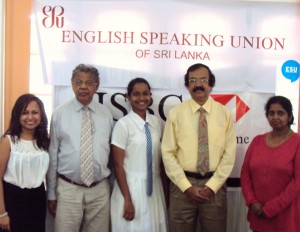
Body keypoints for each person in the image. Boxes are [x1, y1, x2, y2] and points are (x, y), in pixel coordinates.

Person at [161, 63, 237, 232]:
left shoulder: (224, 114)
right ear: (187, 85)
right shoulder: (176, 113)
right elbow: (167, 152)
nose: (198, 84)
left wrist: (212, 186)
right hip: (182, 188)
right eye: (192, 80)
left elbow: (230, 153)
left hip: (214, 187)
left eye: (203, 79)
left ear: (211, 83)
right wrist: (185, 186)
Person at [47, 64, 113, 232]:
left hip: (99, 191)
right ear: (72, 84)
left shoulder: (106, 114)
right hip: (69, 189)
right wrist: (52, 193)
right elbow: (53, 155)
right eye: (79, 82)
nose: (83, 86)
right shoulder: (59, 114)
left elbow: (111, 155)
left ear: (96, 86)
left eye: (89, 82)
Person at [110, 77, 168, 232]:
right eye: (136, 94)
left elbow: (160, 160)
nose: (142, 98)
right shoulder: (123, 125)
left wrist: (165, 192)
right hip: (131, 188)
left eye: (145, 94)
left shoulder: (157, 123)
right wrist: (127, 200)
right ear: (128, 97)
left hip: (154, 188)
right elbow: (117, 165)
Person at [241, 96, 300, 232]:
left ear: (290, 116)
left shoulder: (297, 142)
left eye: (281, 113)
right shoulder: (257, 141)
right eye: (271, 113)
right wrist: (252, 202)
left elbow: (298, 182)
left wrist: (270, 208)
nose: (275, 117)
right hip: (258, 214)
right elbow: (245, 174)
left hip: (285, 216)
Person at [0, 94, 50, 232]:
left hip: (37, 199)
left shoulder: (45, 141)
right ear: (17, 115)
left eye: (34, 112)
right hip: (12, 199)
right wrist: (2, 213)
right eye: (25, 113)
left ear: (41, 115)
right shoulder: (8, 141)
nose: (30, 117)